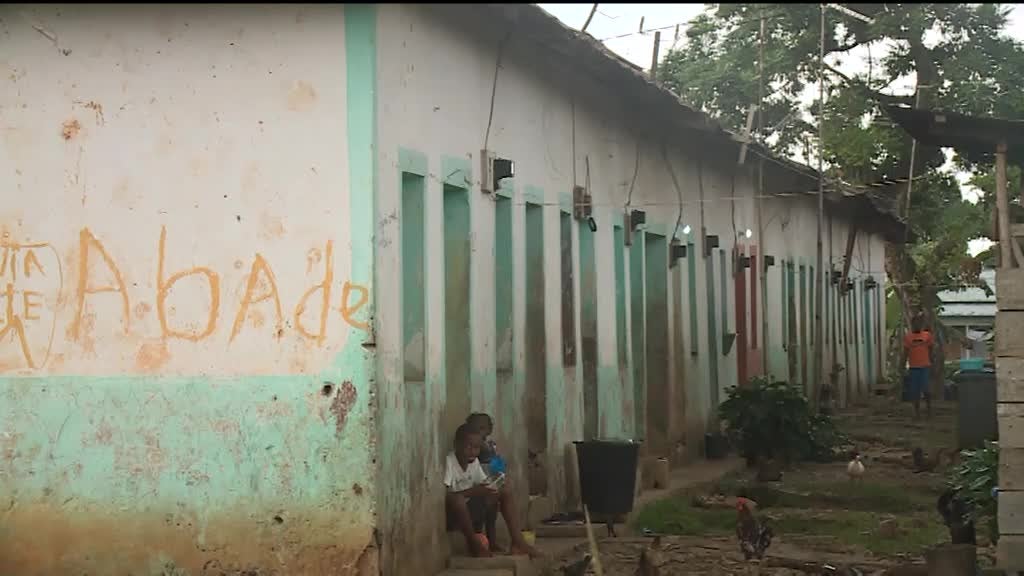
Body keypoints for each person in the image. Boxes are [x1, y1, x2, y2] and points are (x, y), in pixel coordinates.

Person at [445, 423, 538, 558]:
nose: (472, 451)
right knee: (458, 500)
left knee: (504, 488)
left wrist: (492, 485)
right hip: (456, 516)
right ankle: (474, 544)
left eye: (476, 448)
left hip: (473, 510)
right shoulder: (450, 461)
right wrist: (474, 491)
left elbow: (483, 484)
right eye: (468, 447)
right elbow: (448, 497)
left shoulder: (474, 462)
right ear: (456, 445)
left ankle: (518, 542)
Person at [904, 315, 934, 420]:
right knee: (914, 391)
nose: (916, 326)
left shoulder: (927, 335)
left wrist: (931, 361)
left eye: (918, 324)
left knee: (926, 389)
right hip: (913, 367)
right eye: (914, 324)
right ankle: (917, 413)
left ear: (921, 325)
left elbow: (931, 349)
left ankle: (929, 410)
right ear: (912, 325)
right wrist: (903, 365)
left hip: (925, 366)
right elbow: (905, 352)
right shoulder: (908, 337)